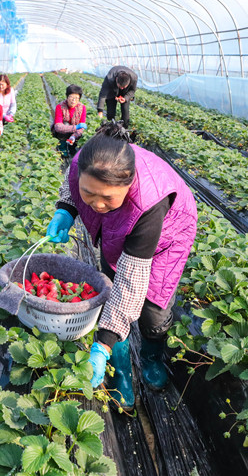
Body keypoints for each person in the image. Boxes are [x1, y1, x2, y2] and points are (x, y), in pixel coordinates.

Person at [45, 121, 197, 411]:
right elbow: (71, 182)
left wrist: (101, 343)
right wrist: (66, 210)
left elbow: (132, 281)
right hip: (119, 223)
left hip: (168, 235)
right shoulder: (84, 161)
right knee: (111, 281)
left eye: (107, 198)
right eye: (89, 194)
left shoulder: (150, 203)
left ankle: (152, 357)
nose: (97, 204)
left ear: (129, 185)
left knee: (154, 307)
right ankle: (121, 372)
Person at [51, 84, 88, 158]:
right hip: (63, 132)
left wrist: (74, 136)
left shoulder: (82, 108)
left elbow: (82, 127)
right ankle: (63, 147)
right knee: (65, 124)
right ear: (67, 97)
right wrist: (76, 127)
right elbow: (58, 126)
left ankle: (72, 147)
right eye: (71, 97)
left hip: (74, 134)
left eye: (77, 98)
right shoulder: (60, 107)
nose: (74, 100)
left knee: (81, 134)